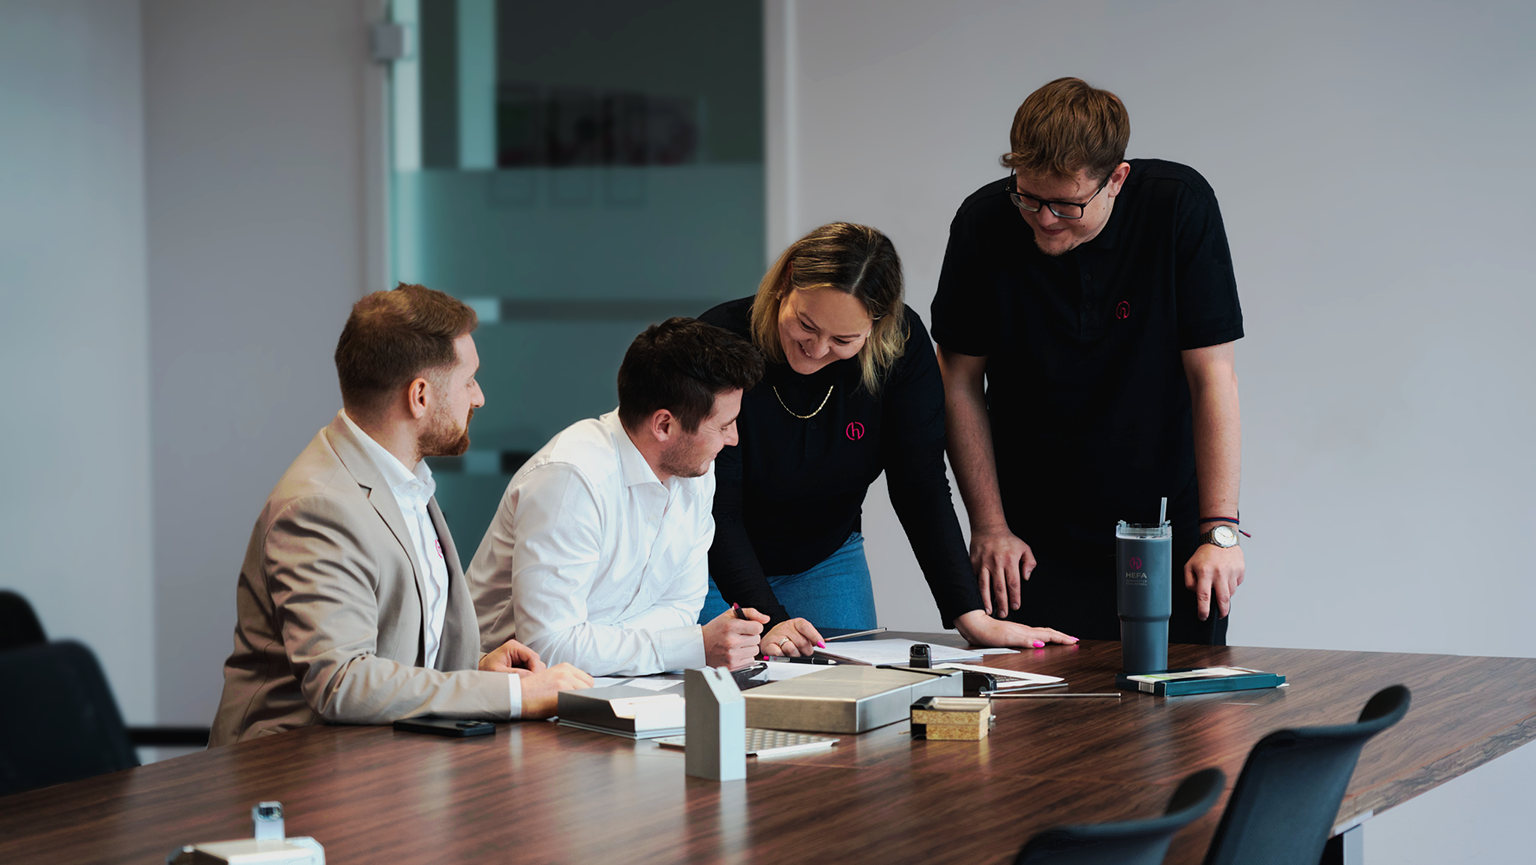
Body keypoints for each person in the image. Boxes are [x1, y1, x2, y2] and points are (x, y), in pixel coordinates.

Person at [932, 77, 1246, 644]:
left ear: (1116, 180)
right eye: (1028, 197)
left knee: (1180, 722)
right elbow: (957, 383)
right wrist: (990, 526)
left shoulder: (1178, 206)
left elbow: (1213, 377)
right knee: (1034, 723)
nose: (1044, 219)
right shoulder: (983, 223)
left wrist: (1219, 531)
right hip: (1028, 543)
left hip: (1163, 531)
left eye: (1066, 204)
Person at [210, 284, 592, 747]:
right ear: (420, 397)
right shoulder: (320, 506)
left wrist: (475, 666)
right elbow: (343, 683)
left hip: (383, 761)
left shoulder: (402, 480)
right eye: (469, 380)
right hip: (292, 773)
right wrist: (514, 694)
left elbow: (395, 654)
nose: (479, 398)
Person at [697, 223, 1077, 657]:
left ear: (876, 326)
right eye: (806, 325)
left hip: (824, 557)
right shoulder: (720, 341)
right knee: (730, 701)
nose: (817, 349)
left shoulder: (902, 347)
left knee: (848, 697)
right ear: (786, 284)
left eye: (843, 339)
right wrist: (770, 618)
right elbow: (717, 505)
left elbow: (921, 484)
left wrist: (969, 614)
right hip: (711, 560)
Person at [467, 317, 769, 677]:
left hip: (612, 683)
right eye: (722, 426)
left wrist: (600, 643)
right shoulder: (571, 478)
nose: (733, 438)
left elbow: (681, 608)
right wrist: (689, 646)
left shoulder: (696, 472)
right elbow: (548, 647)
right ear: (664, 426)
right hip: (500, 686)